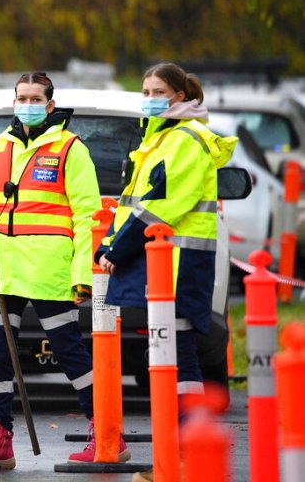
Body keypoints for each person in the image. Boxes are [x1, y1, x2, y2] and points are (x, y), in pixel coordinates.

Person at [0, 72, 127, 470]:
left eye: (34, 98)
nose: (26, 104)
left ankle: (108, 432)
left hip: (49, 269)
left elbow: (87, 215)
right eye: (21, 97)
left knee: (70, 352)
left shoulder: (70, 149)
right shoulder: (0, 146)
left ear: (50, 104)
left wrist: (82, 273)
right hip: (1, 268)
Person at [95, 63, 236, 482]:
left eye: (158, 91)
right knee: (171, 359)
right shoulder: (161, 138)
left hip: (176, 264)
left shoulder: (186, 142)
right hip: (162, 263)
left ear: (180, 96)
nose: (150, 98)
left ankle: (186, 456)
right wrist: (109, 242)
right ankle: (179, 456)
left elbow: (163, 207)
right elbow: (134, 204)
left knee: (180, 358)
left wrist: (117, 250)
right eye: (145, 90)